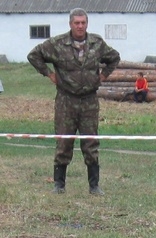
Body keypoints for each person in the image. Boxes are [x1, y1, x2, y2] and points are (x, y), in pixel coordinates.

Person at [27, 8, 120, 195]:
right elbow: (33, 55)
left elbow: (114, 58)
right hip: (66, 100)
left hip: (89, 101)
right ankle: (59, 185)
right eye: (76, 23)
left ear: (87, 24)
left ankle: (94, 186)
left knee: (90, 142)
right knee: (63, 142)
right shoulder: (57, 44)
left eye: (83, 23)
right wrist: (49, 74)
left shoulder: (97, 43)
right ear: (70, 24)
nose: (80, 26)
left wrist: (102, 76)